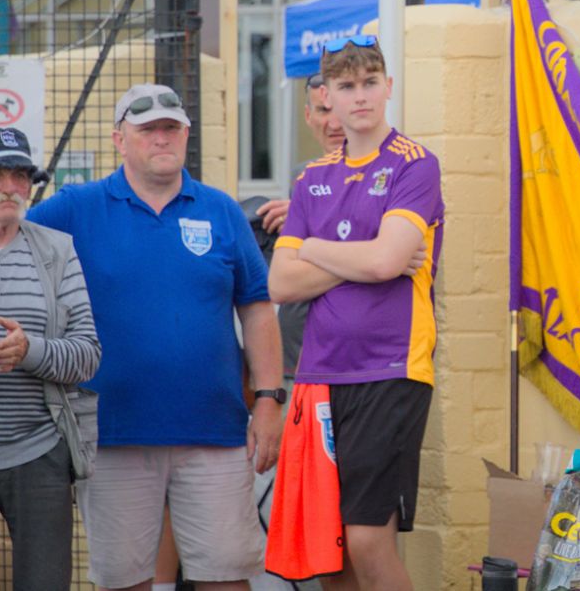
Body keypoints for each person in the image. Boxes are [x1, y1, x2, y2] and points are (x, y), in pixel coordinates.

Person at [29, 83, 284, 591]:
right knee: (125, 582)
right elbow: (6, 236)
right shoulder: (77, 208)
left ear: (186, 134)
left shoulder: (221, 210)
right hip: (112, 433)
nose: (162, 138)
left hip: (215, 433)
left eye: (172, 128)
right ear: (119, 139)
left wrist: (271, 400)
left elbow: (256, 309)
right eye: (148, 129)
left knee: (228, 576)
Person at [267, 35, 442, 591]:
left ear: (388, 88)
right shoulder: (311, 179)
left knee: (367, 537)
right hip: (319, 377)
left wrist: (313, 248)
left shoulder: (415, 164)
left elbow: (390, 260)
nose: (360, 96)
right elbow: (281, 281)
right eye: (346, 86)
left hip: (390, 369)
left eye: (370, 83)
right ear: (327, 99)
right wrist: (361, 259)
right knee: (329, 548)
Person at [0, 127, 101, 589]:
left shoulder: (57, 250)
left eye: (20, 175)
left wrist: (32, 351)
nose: (9, 186)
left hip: (39, 455)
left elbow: (88, 354)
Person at [256, 72, 347, 383]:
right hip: (295, 361)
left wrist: (305, 227)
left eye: (339, 108)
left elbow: (383, 260)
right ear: (308, 116)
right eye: (323, 111)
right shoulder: (304, 177)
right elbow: (281, 285)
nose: (333, 123)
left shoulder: (390, 173)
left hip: (350, 363)